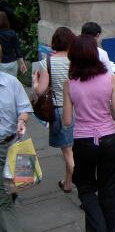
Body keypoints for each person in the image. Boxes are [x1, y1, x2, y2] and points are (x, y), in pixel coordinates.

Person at [62, 35, 115, 231]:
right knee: (108, 190)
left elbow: (67, 121)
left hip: (84, 142)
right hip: (109, 140)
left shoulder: (70, 84)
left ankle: (98, 226)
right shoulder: (110, 79)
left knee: (85, 186)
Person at [32, 27, 76, 192]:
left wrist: (35, 82)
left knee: (67, 152)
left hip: (60, 110)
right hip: (78, 109)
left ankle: (87, 187)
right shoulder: (75, 60)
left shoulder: (47, 63)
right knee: (73, 149)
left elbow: (40, 90)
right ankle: (67, 184)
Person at [0, 65, 32, 231]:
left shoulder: (11, 82)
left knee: (13, 188)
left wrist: (22, 121)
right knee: (3, 201)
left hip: (11, 145)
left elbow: (25, 108)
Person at [0, 11, 27, 76]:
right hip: (12, 63)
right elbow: (18, 50)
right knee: (12, 83)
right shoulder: (12, 33)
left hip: (1, 63)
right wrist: (22, 63)